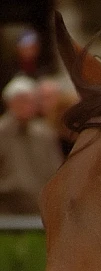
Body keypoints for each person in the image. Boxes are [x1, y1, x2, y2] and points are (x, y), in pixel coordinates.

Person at [0, 75, 63, 214]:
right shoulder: (2, 133)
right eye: (21, 101)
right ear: (9, 103)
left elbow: (56, 170)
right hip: (7, 213)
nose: (26, 106)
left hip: (40, 210)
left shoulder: (45, 134)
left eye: (30, 101)